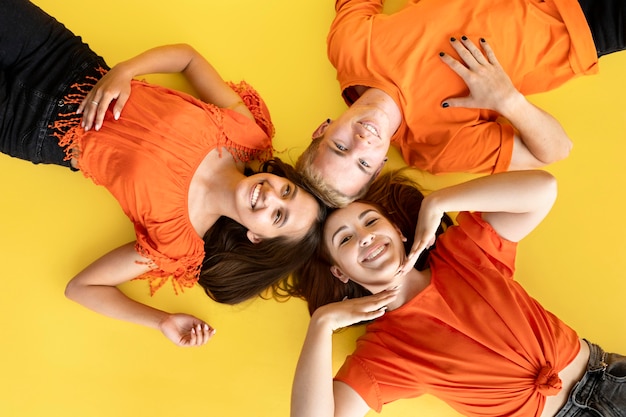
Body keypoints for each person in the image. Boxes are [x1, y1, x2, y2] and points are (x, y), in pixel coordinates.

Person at [1, 0, 325, 347]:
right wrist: (126, 70)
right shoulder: (247, 135)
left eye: (278, 216)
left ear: (257, 237)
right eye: (287, 191)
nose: (272, 196)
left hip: (30, 127)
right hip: (61, 58)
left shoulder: (177, 244)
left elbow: (81, 288)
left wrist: (162, 321)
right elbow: (188, 58)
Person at [289, 169, 626, 416]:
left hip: (609, 374)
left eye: (371, 222)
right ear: (340, 272)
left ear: (398, 231)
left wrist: (438, 201)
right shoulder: (383, 352)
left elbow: (543, 189)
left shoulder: (463, 250)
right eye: (345, 239)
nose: (364, 236)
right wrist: (321, 323)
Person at [296, 0, 626, 207]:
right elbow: (556, 149)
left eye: (339, 147)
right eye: (364, 164)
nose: (361, 143)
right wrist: (507, 100)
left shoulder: (348, 49)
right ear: (380, 165)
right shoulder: (434, 149)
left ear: (324, 129)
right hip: (587, 22)